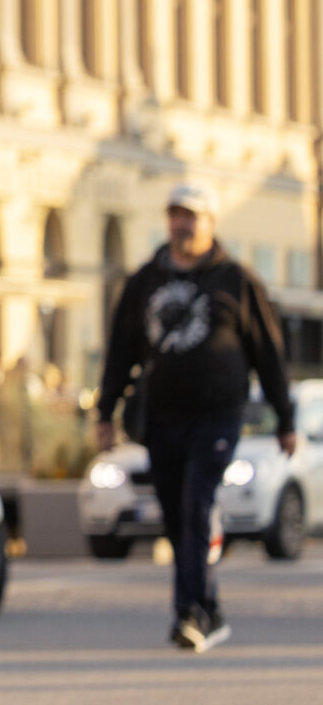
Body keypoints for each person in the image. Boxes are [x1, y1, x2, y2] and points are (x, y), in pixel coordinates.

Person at [94, 180, 296, 653]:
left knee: (196, 504)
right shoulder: (144, 281)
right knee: (175, 515)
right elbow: (121, 351)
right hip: (163, 419)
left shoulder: (236, 280)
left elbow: (268, 353)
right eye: (175, 215)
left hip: (217, 417)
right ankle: (208, 608)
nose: (181, 224)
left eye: (191, 216)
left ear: (210, 222)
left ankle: (192, 614)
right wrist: (105, 412)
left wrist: (285, 419)